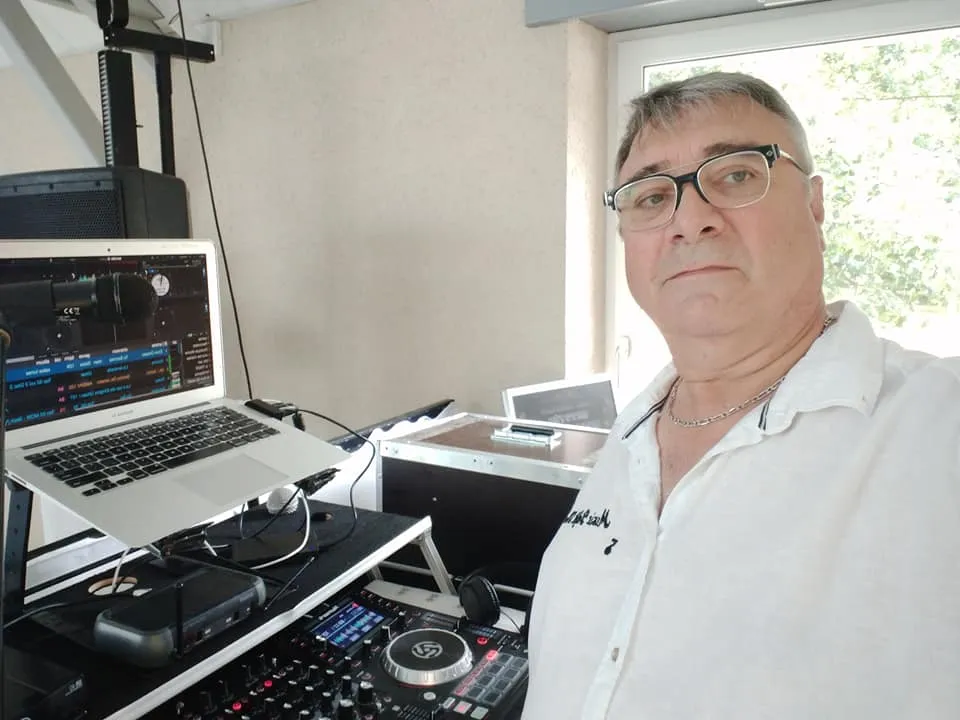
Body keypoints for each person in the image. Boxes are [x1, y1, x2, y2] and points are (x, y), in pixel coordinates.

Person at [519, 71, 960, 720]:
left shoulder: (937, 426)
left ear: (815, 205)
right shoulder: (633, 430)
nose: (689, 219)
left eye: (734, 175)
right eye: (651, 196)